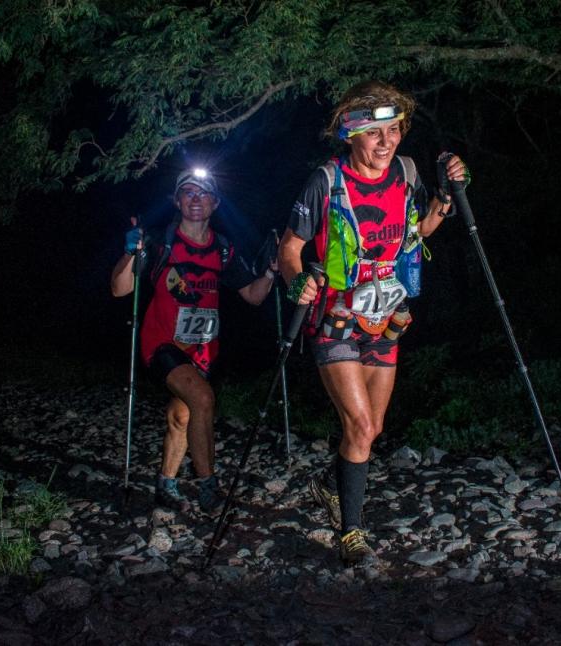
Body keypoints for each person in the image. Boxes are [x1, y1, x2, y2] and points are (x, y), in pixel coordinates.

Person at [278, 81, 469, 565]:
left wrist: (446, 195)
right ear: (350, 135)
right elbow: (290, 249)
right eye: (374, 133)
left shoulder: (405, 173)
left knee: (373, 427)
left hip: (386, 320)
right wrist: (298, 281)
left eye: (394, 130)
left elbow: (419, 230)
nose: (386, 142)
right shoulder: (326, 180)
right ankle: (351, 532)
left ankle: (331, 482)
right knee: (360, 424)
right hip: (336, 321)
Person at [111, 168, 278, 513]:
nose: (195, 199)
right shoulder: (159, 242)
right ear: (177, 201)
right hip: (161, 345)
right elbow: (119, 289)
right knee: (202, 398)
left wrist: (272, 271)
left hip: (203, 350)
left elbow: (252, 295)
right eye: (188, 192)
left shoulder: (223, 248)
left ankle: (166, 485)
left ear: (215, 203)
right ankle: (209, 489)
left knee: (182, 415)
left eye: (203, 194)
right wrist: (130, 251)